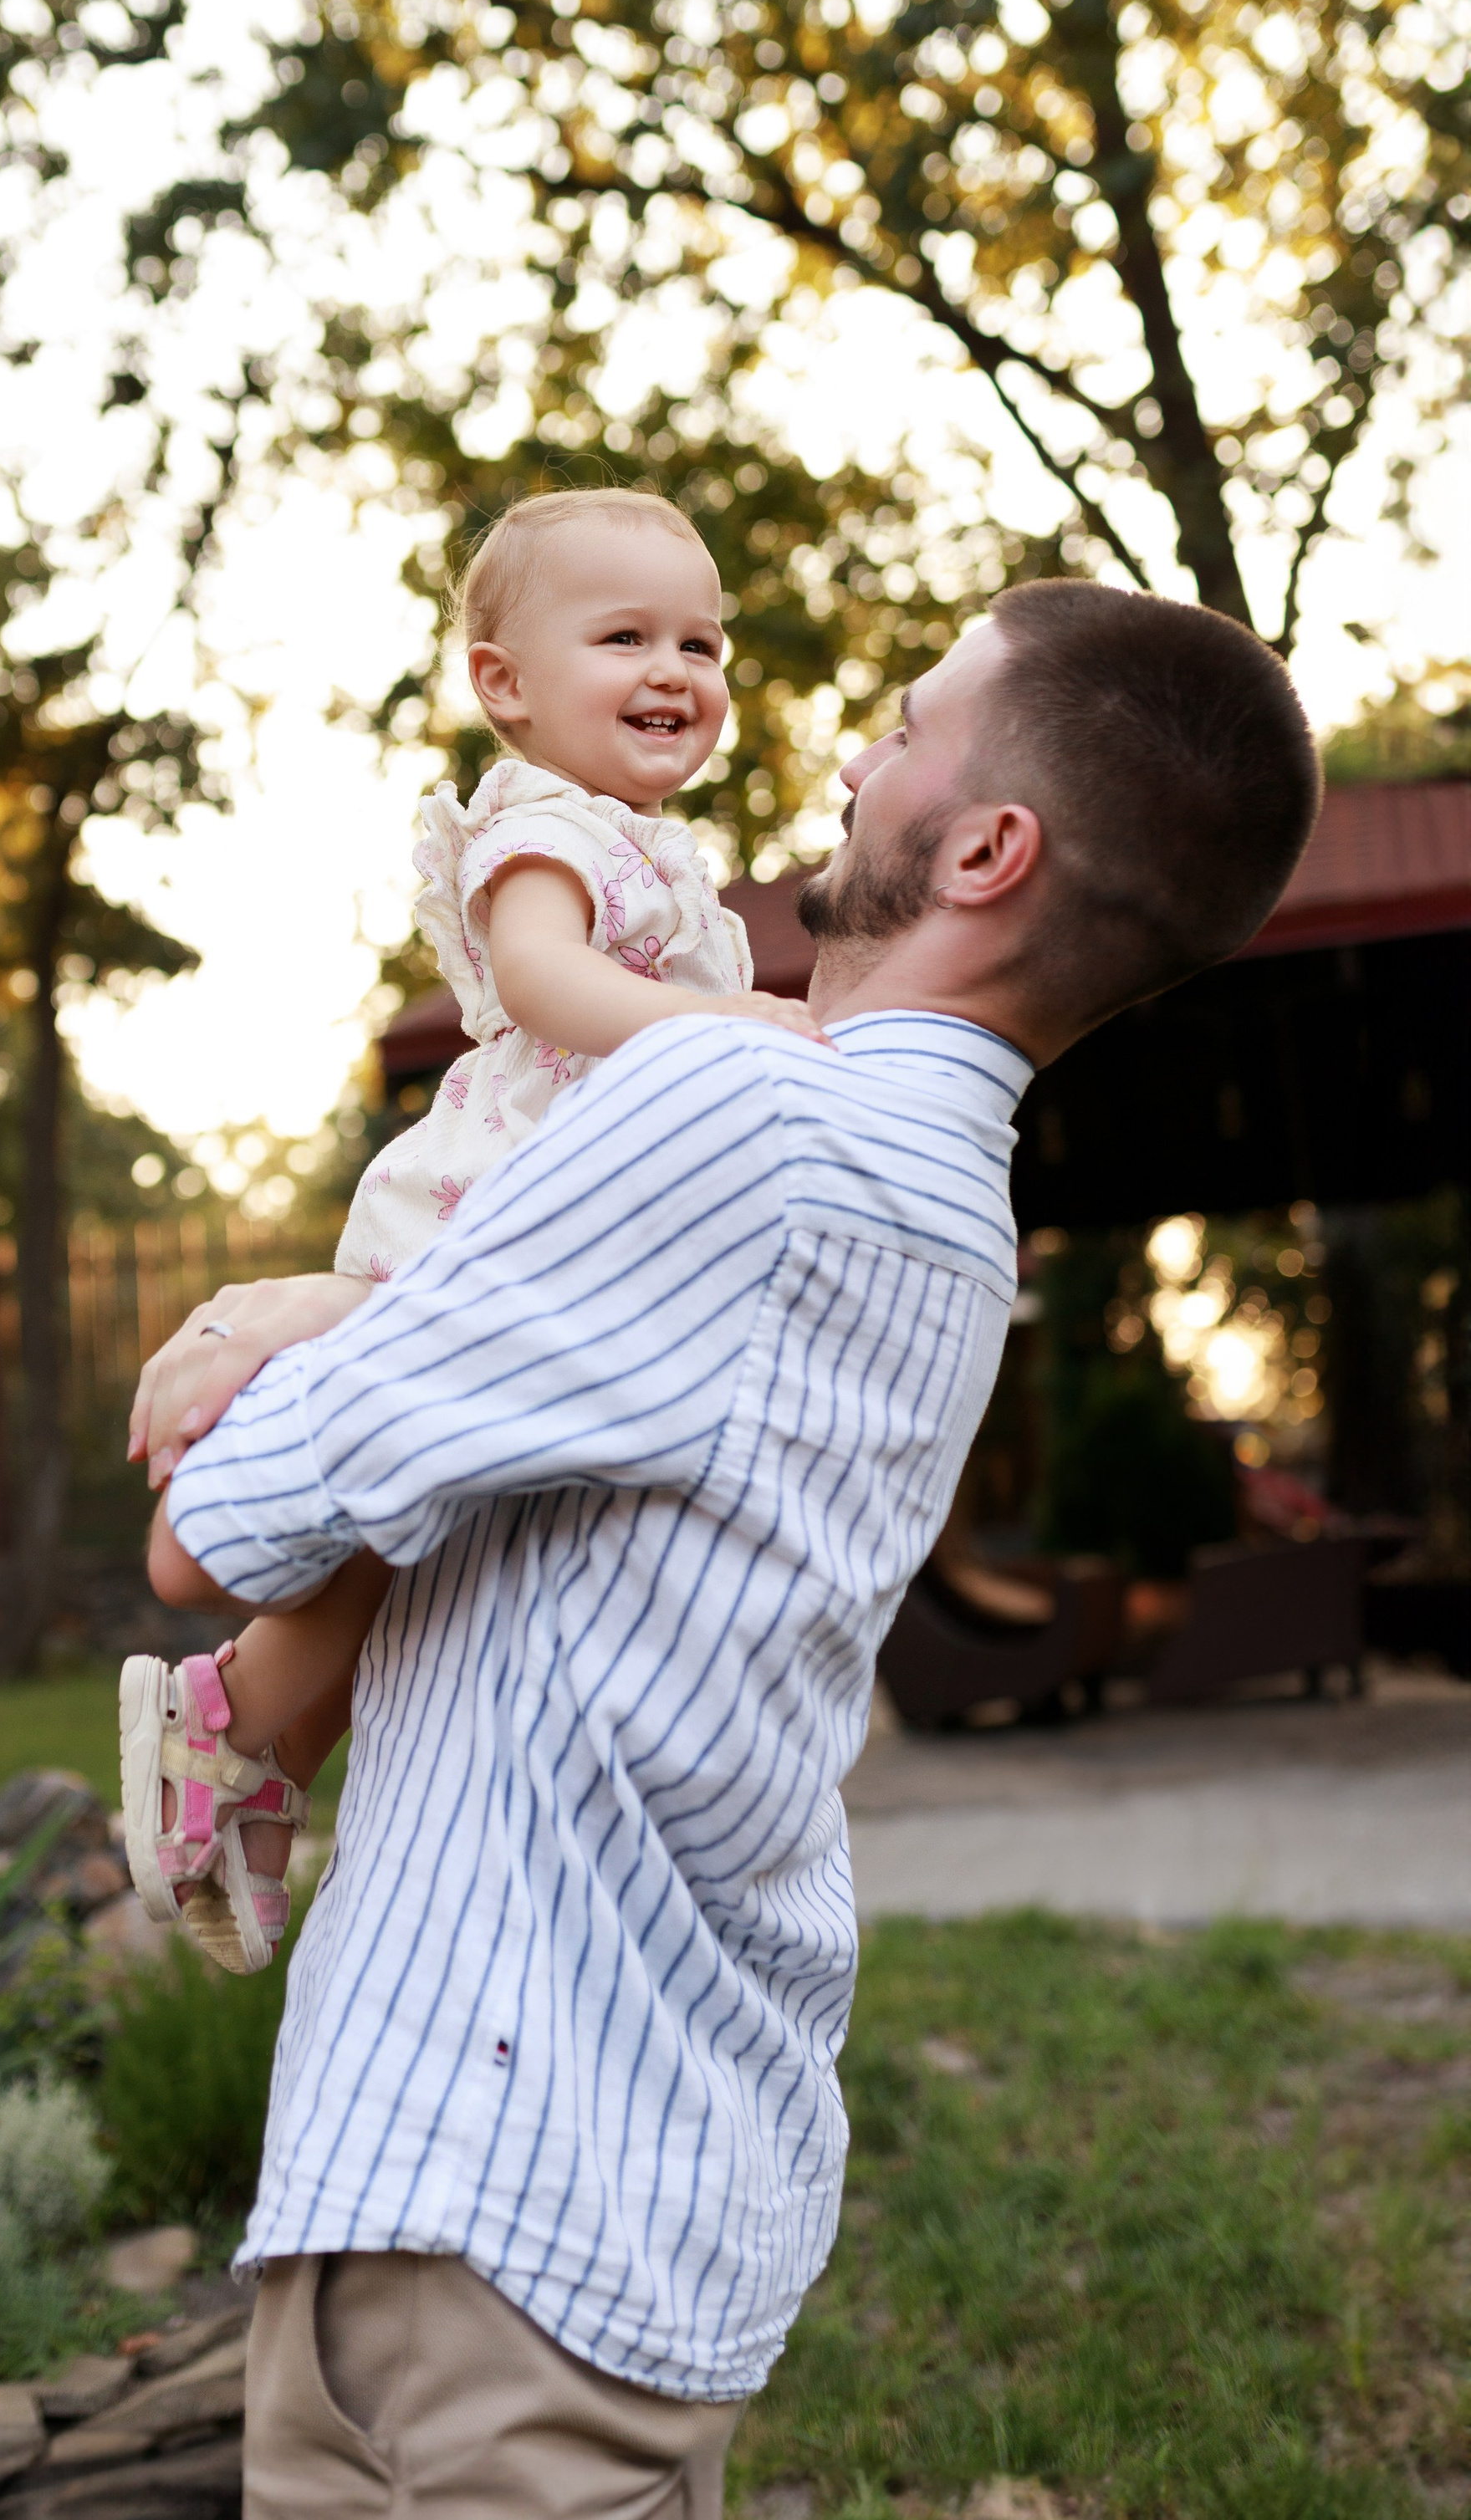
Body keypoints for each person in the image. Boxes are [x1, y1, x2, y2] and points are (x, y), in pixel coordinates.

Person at [135, 576, 1318, 2520]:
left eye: (909, 722)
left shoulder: (731, 1115)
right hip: (563, 2182)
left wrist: (289, 1312)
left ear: (983, 843)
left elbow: (217, 1528)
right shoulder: (944, 1209)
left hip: (495, 2193)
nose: (853, 752)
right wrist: (348, 1311)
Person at [118, 485, 825, 1972]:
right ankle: (234, 1718)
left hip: (570, 1225)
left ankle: (249, 1751)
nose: (677, 671)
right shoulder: (549, 826)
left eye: (703, 642)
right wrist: (739, 1028)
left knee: (402, 1551)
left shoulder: (659, 851)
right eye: (624, 634)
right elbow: (550, 986)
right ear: (502, 684)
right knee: (387, 1517)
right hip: (495, 1213)